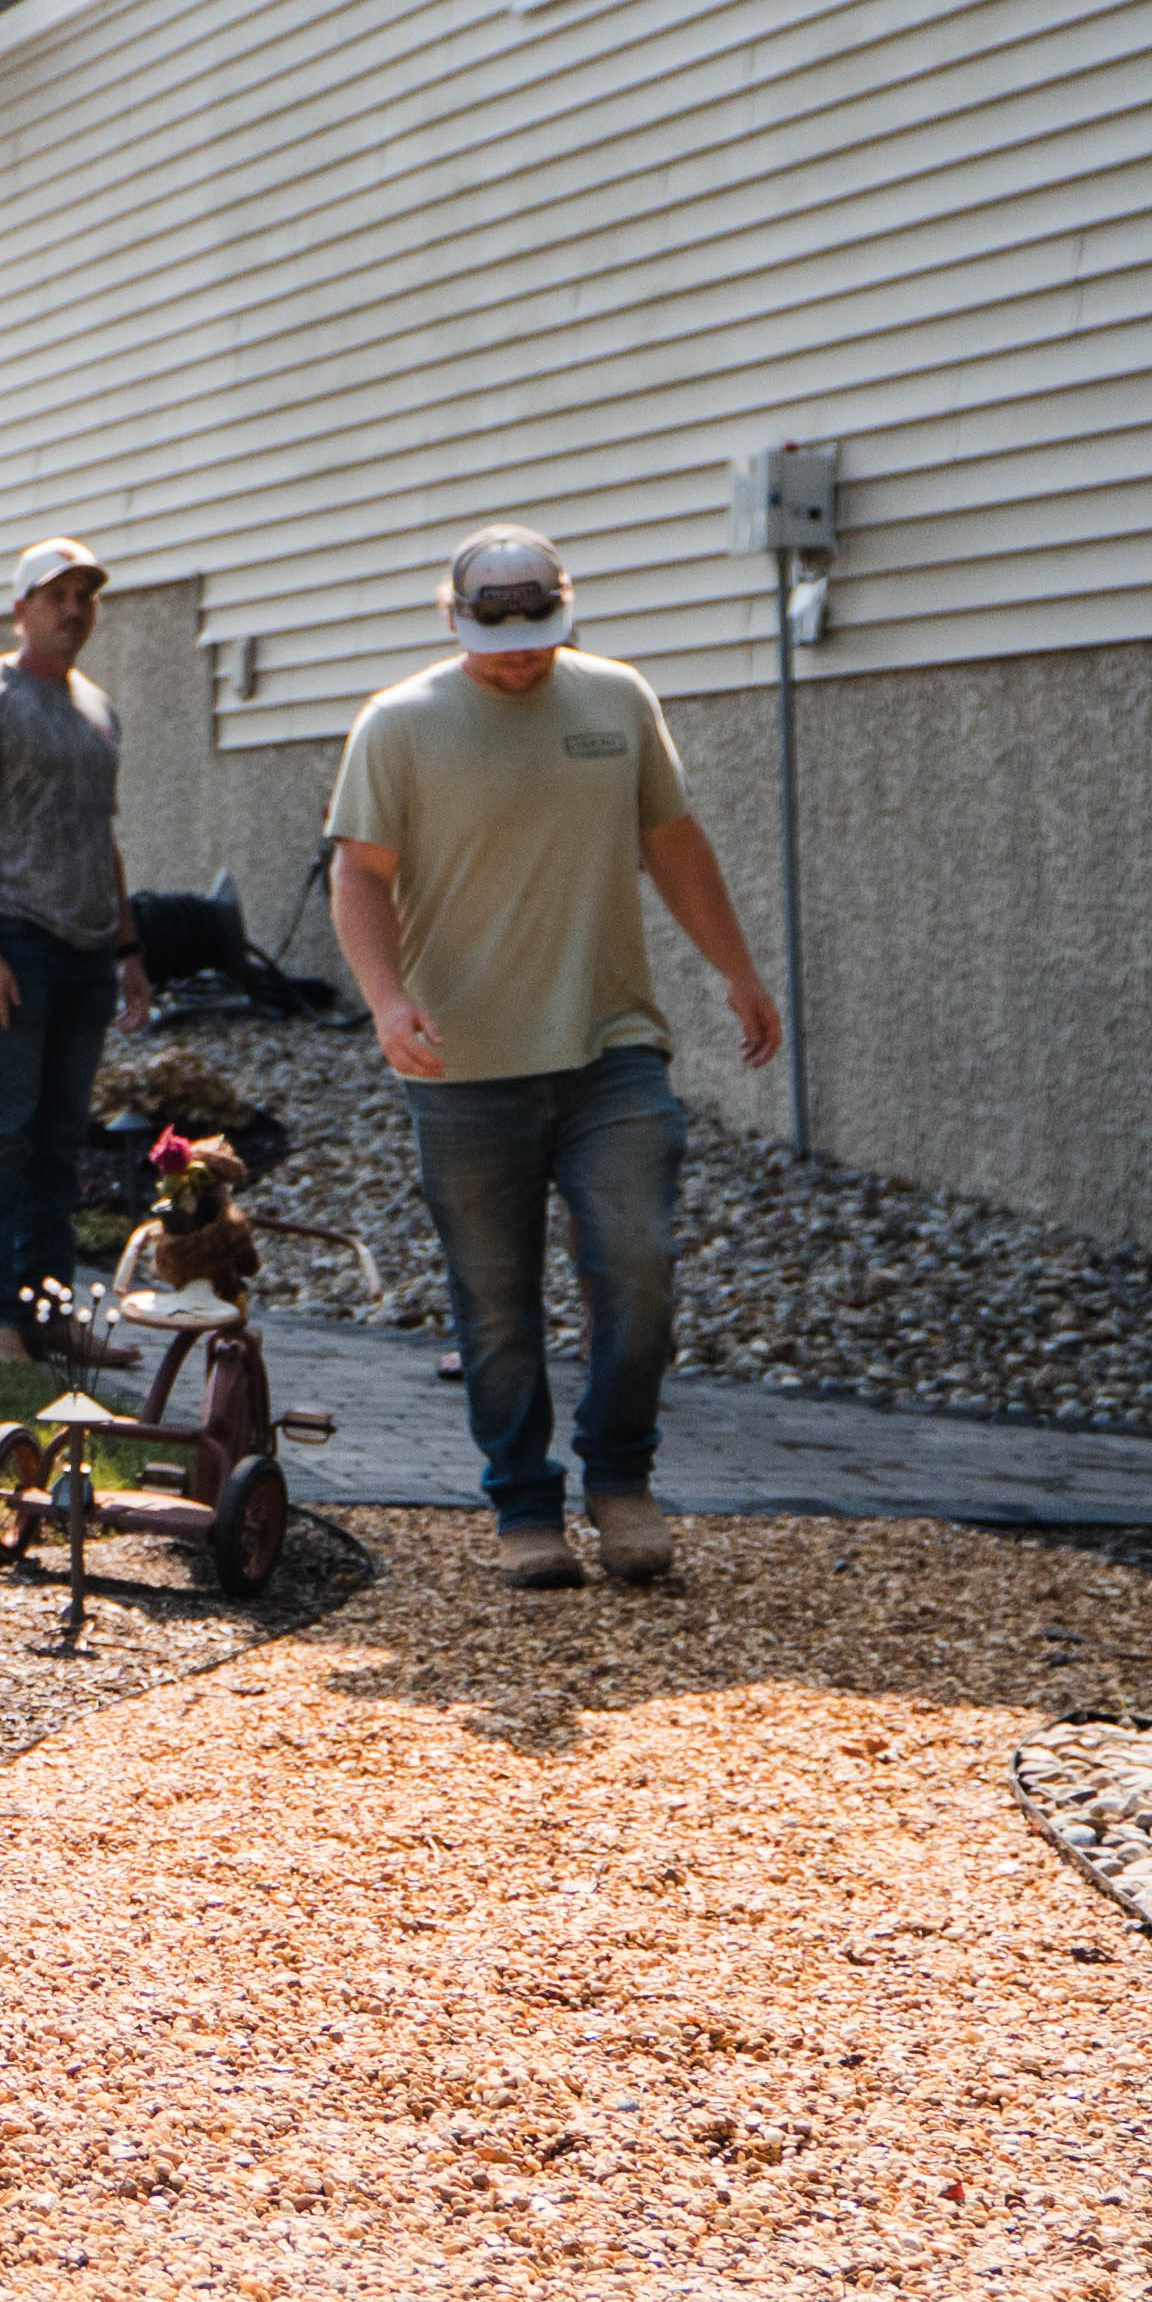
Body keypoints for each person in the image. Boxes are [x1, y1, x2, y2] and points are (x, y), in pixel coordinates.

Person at [324, 526, 784, 1588]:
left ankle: (620, 1478)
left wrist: (736, 967)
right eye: (501, 638)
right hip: (462, 1064)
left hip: (611, 1045)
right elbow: (359, 875)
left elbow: (672, 841)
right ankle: (524, 1503)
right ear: (455, 618)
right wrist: (388, 1000)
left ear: (566, 617)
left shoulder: (619, 701)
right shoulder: (399, 724)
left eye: (540, 634)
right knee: (494, 1297)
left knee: (639, 1261)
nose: (522, 656)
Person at [0, 538, 152, 1365]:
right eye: (56, 595)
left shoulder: (98, 710)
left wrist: (129, 946)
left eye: (86, 594)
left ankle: (49, 1316)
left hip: (88, 950)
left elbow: (102, 836)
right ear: (20, 609)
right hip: (12, 942)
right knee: (1, 1131)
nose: (73, 608)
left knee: (60, 1138)